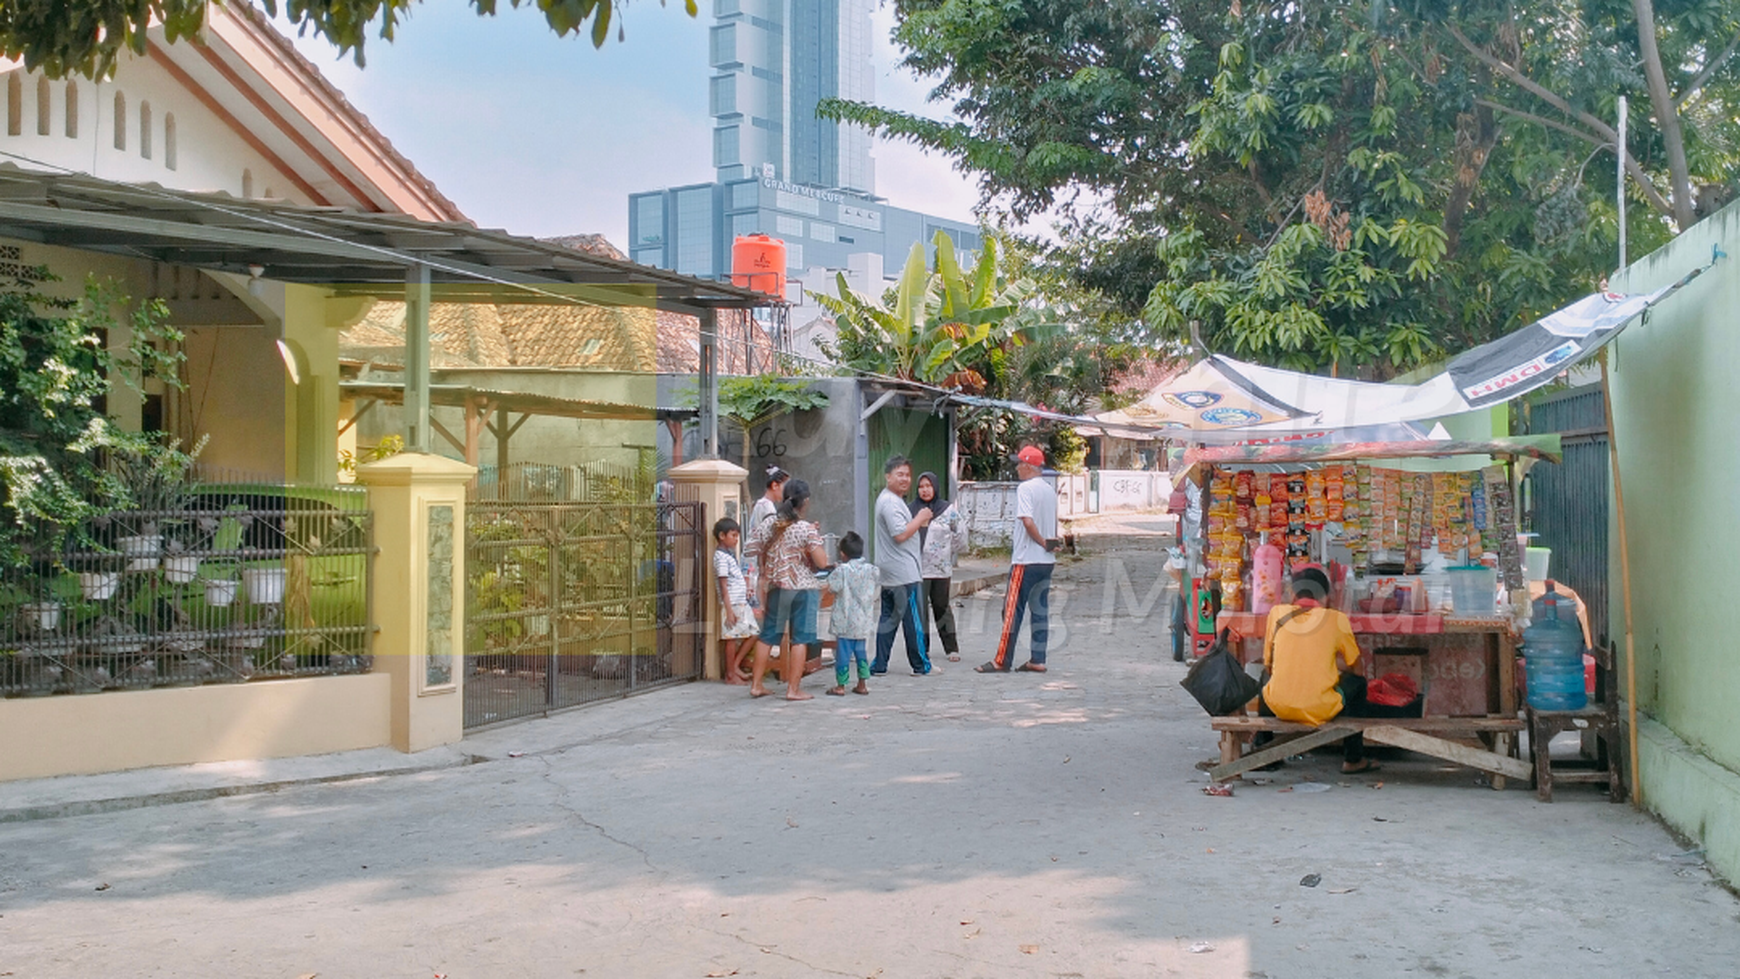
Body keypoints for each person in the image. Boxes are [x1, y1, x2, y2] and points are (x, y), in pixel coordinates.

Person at [1257, 565, 1382, 774]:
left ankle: (1263, 749)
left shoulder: (1276, 614)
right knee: (1359, 684)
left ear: (1292, 594)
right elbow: (1358, 670)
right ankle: (1353, 757)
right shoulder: (1337, 619)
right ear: (1326, 597)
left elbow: (1268, 665)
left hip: (1277, 705)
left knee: (1264, 676)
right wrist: (1332, 664)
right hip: (1321, 709)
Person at [747, 478, 831, 701]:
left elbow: (751, 549)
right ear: (805, 502)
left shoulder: (769, 524)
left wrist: (770, 564)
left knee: (767, 637)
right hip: (803, 589)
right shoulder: (806, 529)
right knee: (800, 639)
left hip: (777, 587)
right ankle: (793, 690)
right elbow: (822, 562)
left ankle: (756, 685)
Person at [977, 446, 1058, 674]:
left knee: (1012, 609)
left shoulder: (1025, 489)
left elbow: (1028, 521)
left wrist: (1041, 541)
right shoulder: (1049, 490)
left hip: (1026, 558)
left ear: (1027, 466)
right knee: (1039, 609)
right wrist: (1049, 545)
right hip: (1046, 561)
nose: (1016, 468)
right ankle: (1038, 658)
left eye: (1019, 463)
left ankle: (1002, 659)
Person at [871, 455, 935, 676]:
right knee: (912, 620)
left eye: (908, 475)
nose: (905, 479)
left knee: (888, 619)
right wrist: (921, 517)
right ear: (887, 476)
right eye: (899, 474)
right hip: (903, 572)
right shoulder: (889, 502)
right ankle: (921, 665)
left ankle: (879, 664)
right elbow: (899, 534)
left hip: (892, 570)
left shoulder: (892, 500)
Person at [912, 471, 967, 662]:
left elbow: (961, 534)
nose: (925, 490)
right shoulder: (912, 510)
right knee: (920, 610)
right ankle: (922, 648)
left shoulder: (947, 510)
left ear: (935, 487)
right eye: (921, 486)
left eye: (928, 486)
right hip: (918, 569)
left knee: (941, 607)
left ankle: (951, 648)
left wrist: (946, 551)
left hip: (941, 569)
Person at [826, 531, 878, 696]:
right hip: (863, 621)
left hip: (845, 621)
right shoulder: (871, 570)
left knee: (843, 655)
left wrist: (834, 570)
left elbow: (832, 587)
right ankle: (862, 684)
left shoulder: (842, 571)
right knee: (861, 653)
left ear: (843, 553)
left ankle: (841, 685)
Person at [711, 518, 759, 685]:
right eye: (733, 535)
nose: (736, 539)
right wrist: (729, 610)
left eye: (737, 535)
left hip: (741, 602)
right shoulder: (720, 558)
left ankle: (735, 665)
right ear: (722, 536)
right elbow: (724, 585)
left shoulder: (729, 555)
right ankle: (730, 674)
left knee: (753, 633)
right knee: (731, 638)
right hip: (732, 603)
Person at [741, 465, 790, 610]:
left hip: (753, 559)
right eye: (784, 487)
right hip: (757, 561)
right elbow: (767, 536)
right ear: (775, 485)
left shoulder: (762, 504)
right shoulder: (767, 508)